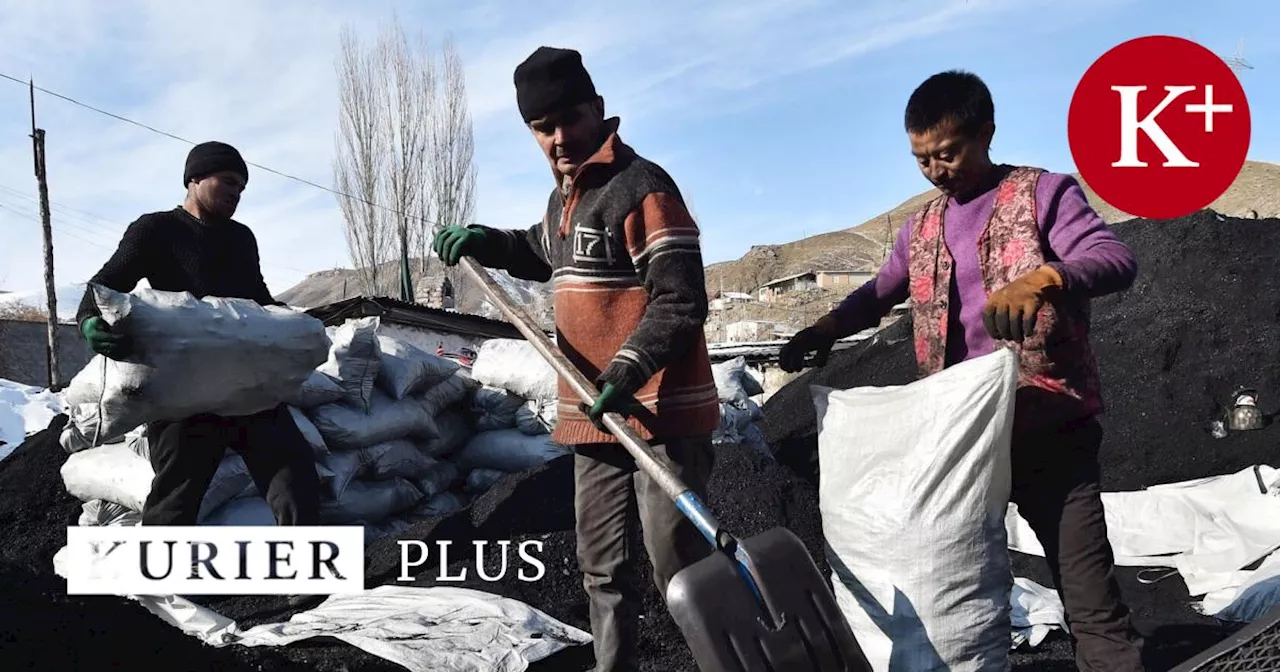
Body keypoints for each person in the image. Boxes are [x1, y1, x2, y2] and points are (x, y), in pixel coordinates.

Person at [780, 70, 1145, 671]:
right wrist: (824, 331)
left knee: (1086, 591)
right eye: (921, 159)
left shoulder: (1043, 195)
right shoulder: (921, 228)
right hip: (956, 437)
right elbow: (879, 292)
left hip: (1046, 420)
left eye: (946, 154)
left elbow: (1113, 258)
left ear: (986, 133)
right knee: (949, 585)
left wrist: (1046, 276)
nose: (934, 170)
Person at [433, 46, 720, 671]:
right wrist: (494, 242)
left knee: (680, 570)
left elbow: (680, 300)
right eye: (542, 127)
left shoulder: (642, 189)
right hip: (594, 418)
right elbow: (545, 251)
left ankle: (720, 661)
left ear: (598, 109)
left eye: (569, 119)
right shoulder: (562, 199)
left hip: (659, 414)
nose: (559, 138)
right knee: (602, 566)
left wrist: (627, 370)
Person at [75, 141, 322, 533]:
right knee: (178, 490)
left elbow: (257, 300)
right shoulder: (157, 229)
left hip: (246, 384)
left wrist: (295, 326)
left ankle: (306, 572)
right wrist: (90, 321)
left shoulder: (241, 239)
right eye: (228, 181)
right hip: (184, 392)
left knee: (293, 474)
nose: (235, 194)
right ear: (194, 178)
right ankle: (157, 585)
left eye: (242, 188)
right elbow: (105, 284)